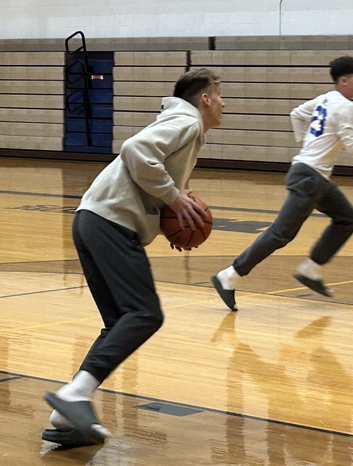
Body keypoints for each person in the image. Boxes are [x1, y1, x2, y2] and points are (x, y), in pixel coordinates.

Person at [41, 68, 224, 449]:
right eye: (220, 95)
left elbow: (148, 173)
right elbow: (135, 151)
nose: (223, 104)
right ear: (205, 99)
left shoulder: (183, 126)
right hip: (110, 222)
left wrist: (167, 214)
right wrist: (173, 198)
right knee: (144, 314)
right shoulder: (186, 121)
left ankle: (66, 416)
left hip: (91, 220)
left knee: (119, 324)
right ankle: (75, 396)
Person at [211, 56, 353, 310]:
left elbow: (296, 114)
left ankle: (311, 269)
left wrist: (303, 144)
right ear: (344, 80)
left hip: (312, 175)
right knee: (280, 233)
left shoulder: (325, 98)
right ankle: (229, 275)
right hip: (310, 177)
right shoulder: (345, 106)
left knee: (348, 218)